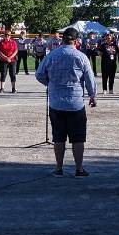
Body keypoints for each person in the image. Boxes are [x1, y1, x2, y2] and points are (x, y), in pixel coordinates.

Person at [35, 27, 97, 177]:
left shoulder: (51, 56)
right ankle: (79, 169)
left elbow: (39, 75)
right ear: (76, 41)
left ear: (62, 39)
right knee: (78, 138)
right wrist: (92, 95)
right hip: (75, 103)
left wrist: (50, 84)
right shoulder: (82, 57)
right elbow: (89, 79)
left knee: (58, 137)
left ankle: (58, 168)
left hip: (56, 102)